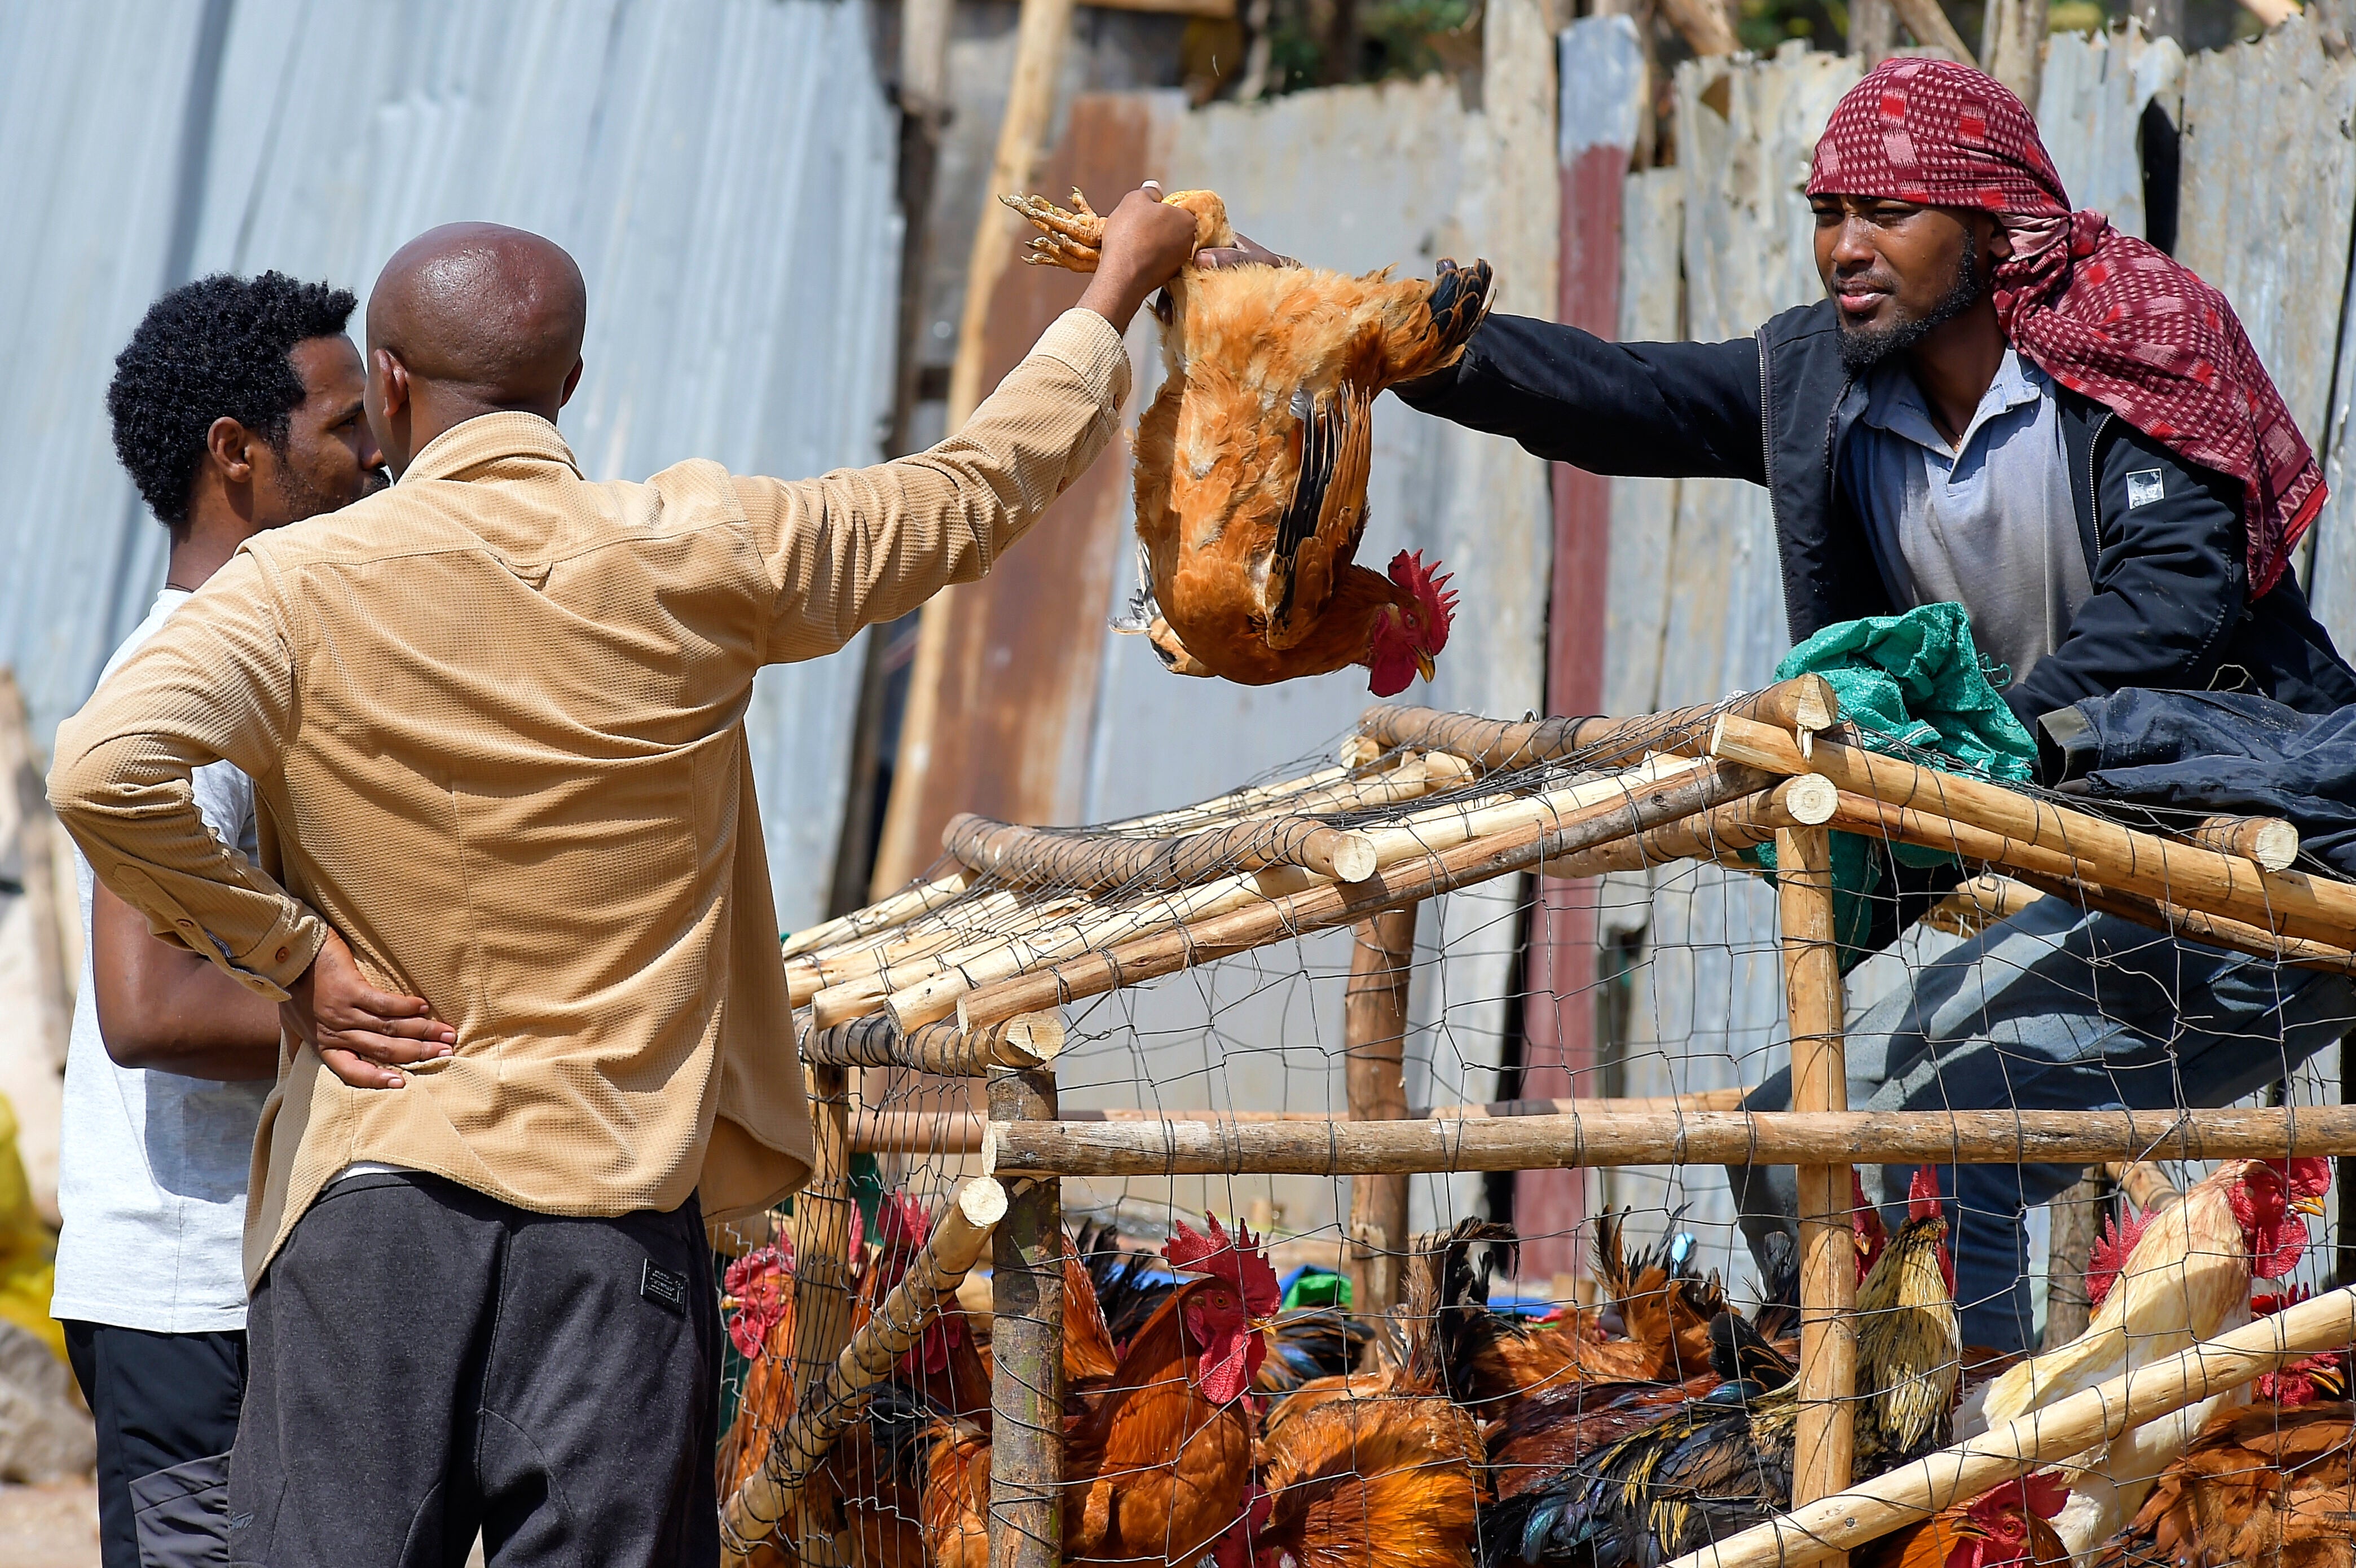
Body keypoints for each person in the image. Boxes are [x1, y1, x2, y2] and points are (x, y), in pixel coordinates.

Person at [48, 187, 1199, 1567]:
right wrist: (1113, 291)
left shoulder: (294, 587)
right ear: (571, 384)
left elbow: (101, 767)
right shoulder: (701, 548)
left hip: (369, 1208)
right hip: (611, 1235)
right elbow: (967, 492)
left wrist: (295, 960)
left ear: (396, 389)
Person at [1331, 59, 2356, 1349]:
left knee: (1938, 1161)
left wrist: (1999, 744)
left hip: (2258, 859)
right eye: (1827, 213)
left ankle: (1968, 1506)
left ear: (1991, 227)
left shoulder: (2137, 347)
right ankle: (1854, 1458)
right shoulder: (1823, 384)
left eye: (1883, 213)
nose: (1841, 248)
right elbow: (1617, 394)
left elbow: (2175, 594)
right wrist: (1369, 337)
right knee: (1783, 1142)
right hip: (2077, 866)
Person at [54, 271, 386, 1568]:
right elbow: (148, 1004)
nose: (376, 457)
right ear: (237, 455)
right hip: (183, 1294)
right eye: (346, 426)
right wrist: (406, 1023)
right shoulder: (184, 682)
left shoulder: (264, 651)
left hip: (247, 1277)